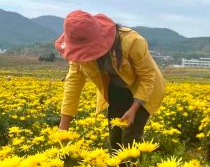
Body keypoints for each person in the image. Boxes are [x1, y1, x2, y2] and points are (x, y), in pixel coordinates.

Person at [55, 10, 165, 149]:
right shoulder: (77, 51)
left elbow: (148, 76)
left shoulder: (132, 41)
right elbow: (73, 84)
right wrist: (63, 127)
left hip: (145, 88)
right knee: (115, 138)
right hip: (116, 88)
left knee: (130, 138)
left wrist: (133, 109)